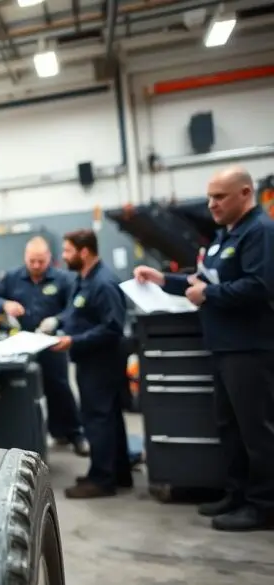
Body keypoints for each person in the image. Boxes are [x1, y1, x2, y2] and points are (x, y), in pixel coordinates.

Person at [134, 165, 274, 532]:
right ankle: (238, 494)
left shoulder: (260, 232)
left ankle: (265, 506)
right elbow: (202, 279)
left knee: (257, 432)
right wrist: (163, 279)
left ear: (246, 194)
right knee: (231, 427)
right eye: (210, 196)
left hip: (250, 349)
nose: (211, 204)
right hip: (224, 347)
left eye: (220, 197)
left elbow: (260, 286)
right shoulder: (225, 235)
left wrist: (208, 294)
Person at [0, 236, 89, 456]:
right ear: (26, 257)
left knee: (59, 388)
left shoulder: (62, 279)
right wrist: (5, 304)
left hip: (50, 344)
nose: (36, 265)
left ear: (49, 257)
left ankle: (74, 433)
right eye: (32, 261)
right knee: (22, 390)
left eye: (41, 261)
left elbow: (74, 307)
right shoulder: (12, 278)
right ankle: (28, 436)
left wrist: (57, 320)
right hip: (22, 345)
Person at [51, 229, 133, 498]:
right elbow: (76, 312)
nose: (64, 256)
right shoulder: (83, 279)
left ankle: (102, 479)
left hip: (102, 363)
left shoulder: (104, 283)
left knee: (98, 419)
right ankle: (118, 473)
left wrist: (73, 340)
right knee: (108, 418)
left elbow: (112, 328)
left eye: (68, 251)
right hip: (89, 360)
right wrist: (57, 322)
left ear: (84, 252)